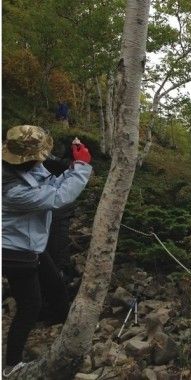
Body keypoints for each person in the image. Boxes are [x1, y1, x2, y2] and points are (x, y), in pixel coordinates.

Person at [2, 125, 92, 377]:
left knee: (54, 282)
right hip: (14, 251)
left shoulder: (22, 166)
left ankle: (64, 323)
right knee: (29, 305)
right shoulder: (11, 190)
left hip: (30, 245)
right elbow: (56, 197)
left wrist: (75, 165)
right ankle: (11, 366)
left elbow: (50, 182)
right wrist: (82, 168)